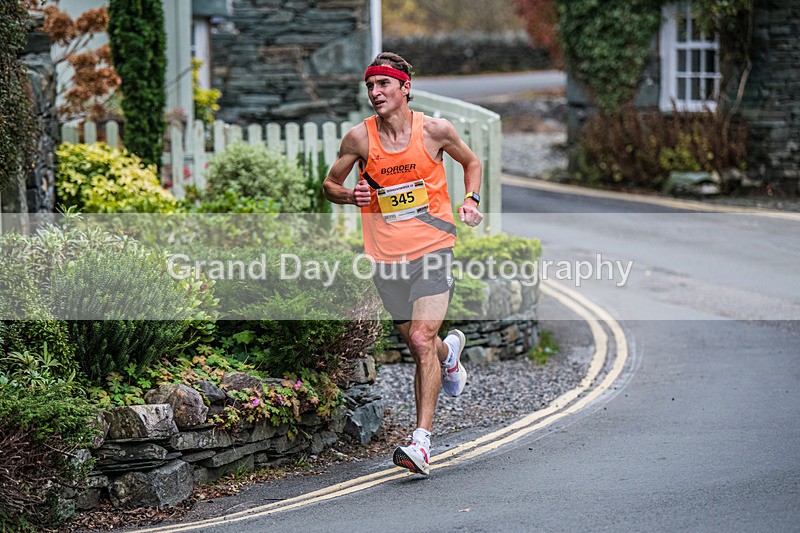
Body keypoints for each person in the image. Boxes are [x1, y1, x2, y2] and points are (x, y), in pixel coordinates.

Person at [323, 52, 484, 476]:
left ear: (404, 87)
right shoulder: (360, 139)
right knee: (423, 345)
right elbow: (329, 184)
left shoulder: (434, 130)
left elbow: (472, 162)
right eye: (370, 87)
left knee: (418, 337)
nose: (375, 93)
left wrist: (470, 200)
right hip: (384, 256)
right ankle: (449, 354)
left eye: (383, 85)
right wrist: (349, 196)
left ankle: (421, 442)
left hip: (433, 245)